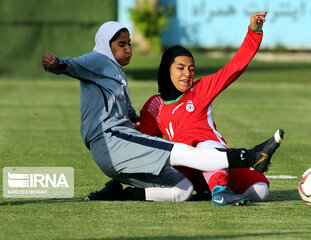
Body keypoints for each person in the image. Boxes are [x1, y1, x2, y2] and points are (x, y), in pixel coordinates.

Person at [42, 18, 283, 205]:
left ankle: (222, 183)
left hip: (209, 169)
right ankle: (245, 164)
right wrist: (58, 64)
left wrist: (254, 33)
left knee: (256, 190)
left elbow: (234, 67)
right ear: (166, 70)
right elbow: (140, 142)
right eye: (180, 68)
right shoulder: (153, 103)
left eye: (191, 68)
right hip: (186, 163)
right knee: (200, 151)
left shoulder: (199, 90)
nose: (187, 73)